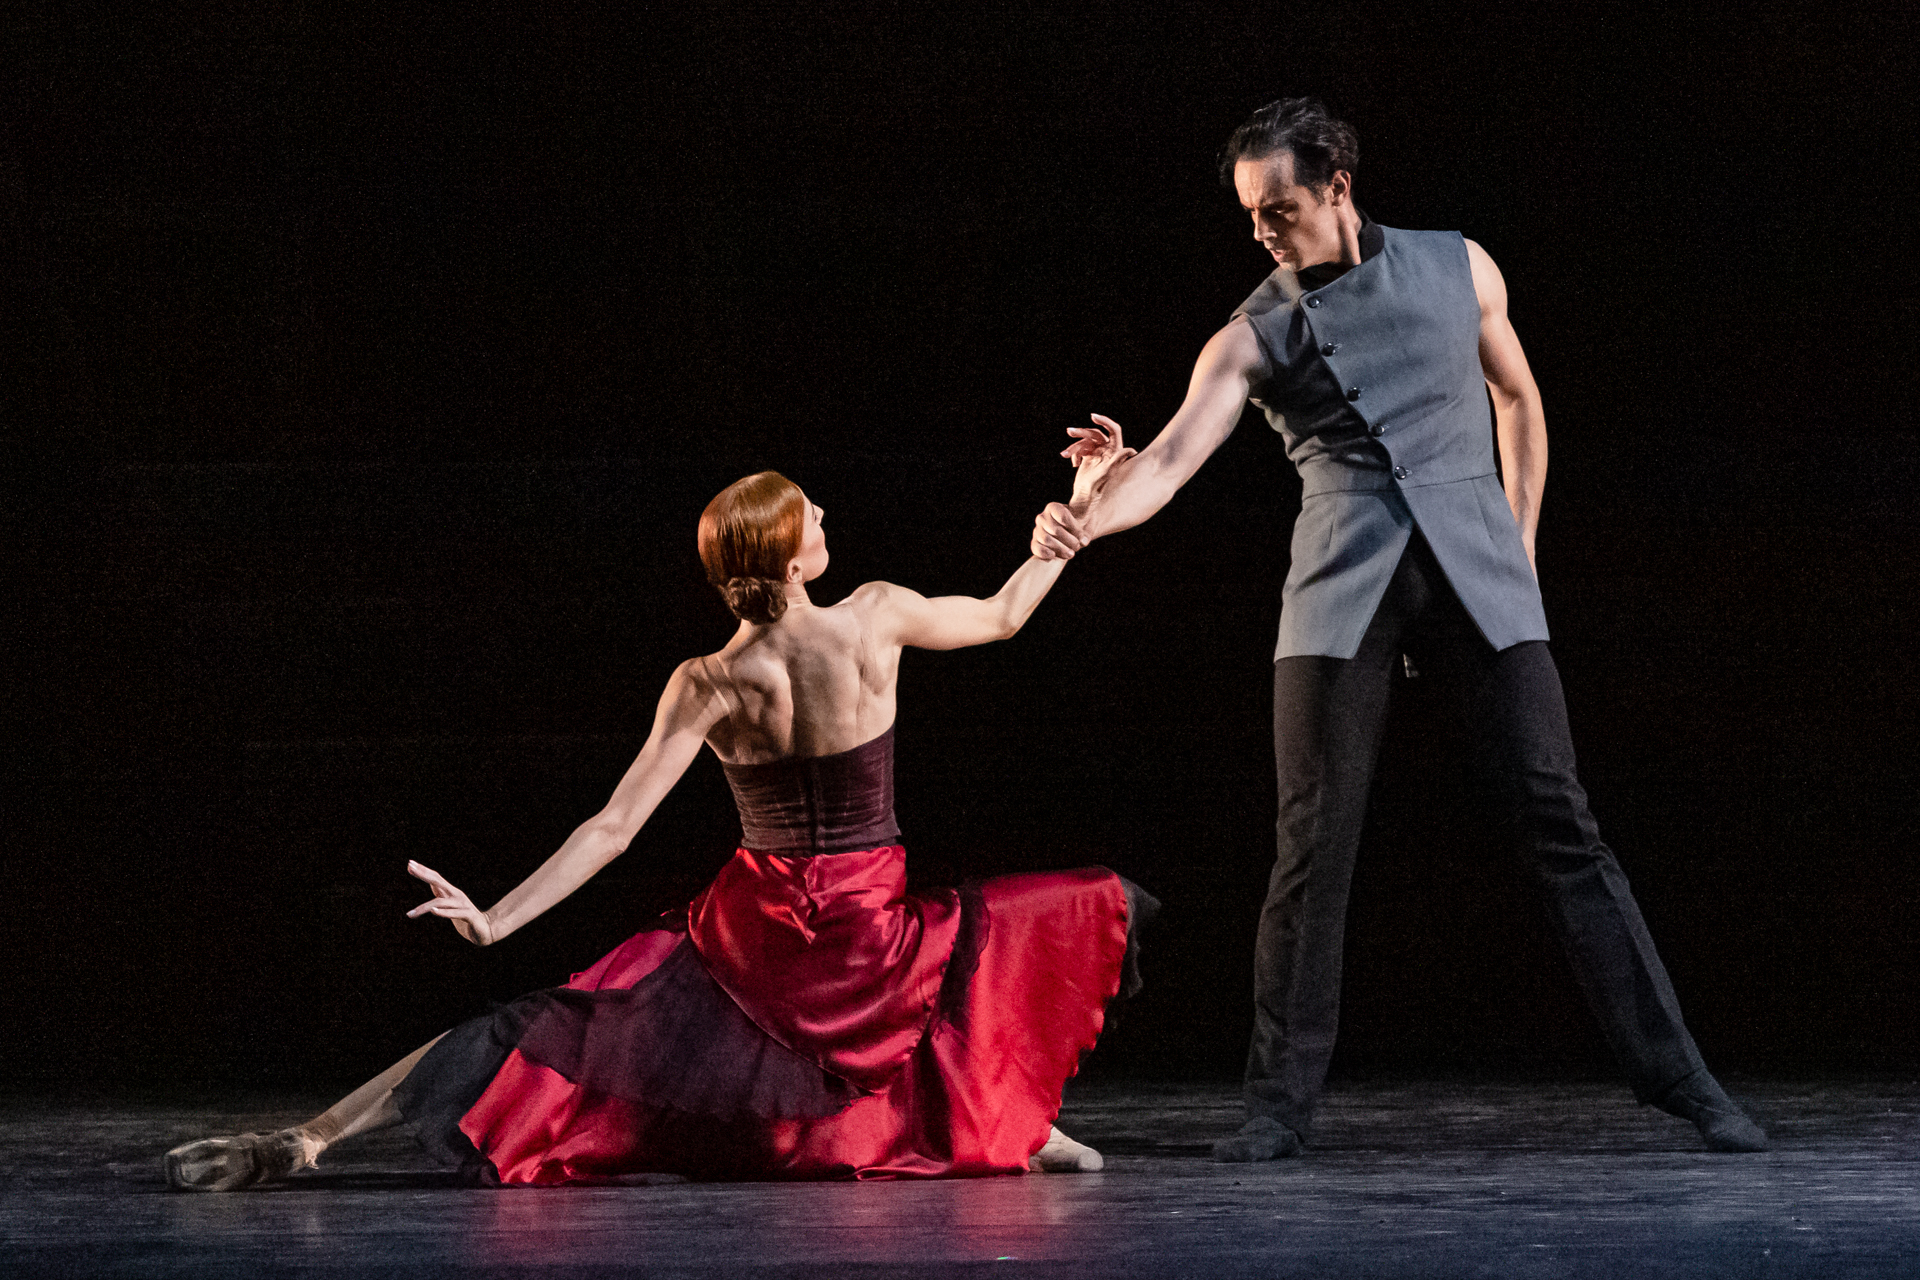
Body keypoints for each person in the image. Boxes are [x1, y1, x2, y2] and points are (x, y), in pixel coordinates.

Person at [1031, 97, 1766, 1158]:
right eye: (1248, 213)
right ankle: (1276, 1111)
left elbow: (1517, 397)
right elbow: (1171, 459)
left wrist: (1513, 542)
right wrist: (1088, 511)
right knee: (1311, 848)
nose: (1261, 230)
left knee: (1565, 826)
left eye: (1277, 207)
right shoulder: (1254, 330)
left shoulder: (1459, 266)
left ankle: (1685, 1080)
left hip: (1479, 571)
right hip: (1341, 585)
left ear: (1336, 183)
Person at [166, 453, 1153, 1190]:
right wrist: (1068, 526)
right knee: (1024, 931)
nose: (825, 516)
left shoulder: (711, 681)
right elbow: (1003, 615)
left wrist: (498, 918)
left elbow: (613, 824)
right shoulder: (875, 616)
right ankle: (1014, 1118)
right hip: (863, 924)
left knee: (555, 1018)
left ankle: (308, 1135)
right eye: (811, 513)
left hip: (757, 933)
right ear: (788, 552)